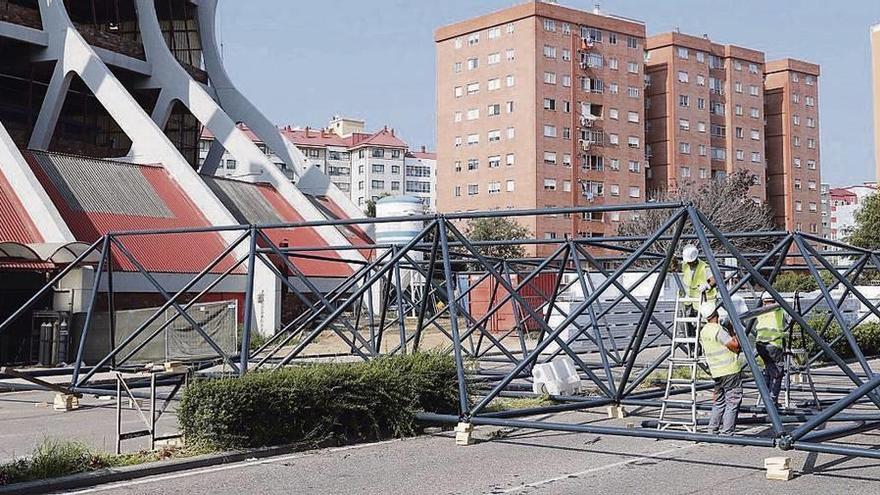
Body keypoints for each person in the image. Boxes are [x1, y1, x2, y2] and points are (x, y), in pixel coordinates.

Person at [699, 301, 745, 436]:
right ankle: (727, 432)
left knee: (719, 402)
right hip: (730, 370)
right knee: (732, 401)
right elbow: (735, 346)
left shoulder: (704, 331)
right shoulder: (718, 330)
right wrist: (731, 329)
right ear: (716, 313)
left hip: (716, 372)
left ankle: (712, 430)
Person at [755, 291, 787, 407]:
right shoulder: (778, 309)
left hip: (760, 345)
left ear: (763, 301)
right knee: (777, 373)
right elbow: (787, 319)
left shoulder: (760, 311)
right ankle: (772, 400)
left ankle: (766, 397)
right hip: (773, 344)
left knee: (768, 370)